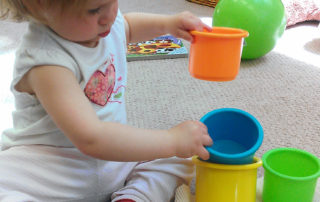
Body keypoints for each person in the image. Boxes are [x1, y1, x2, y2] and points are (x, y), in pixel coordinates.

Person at [0, 0, 213, 201]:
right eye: (95, 10)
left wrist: (168, 23)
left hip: (114, 157)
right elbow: (91, 138)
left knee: (183, 157)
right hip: (50, 169)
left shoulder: (105, 23)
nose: (110, 16)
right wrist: (171, 140)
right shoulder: (45, 61)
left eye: (113, 1)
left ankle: (134, 197)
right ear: (40, 5)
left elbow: (127, 26)